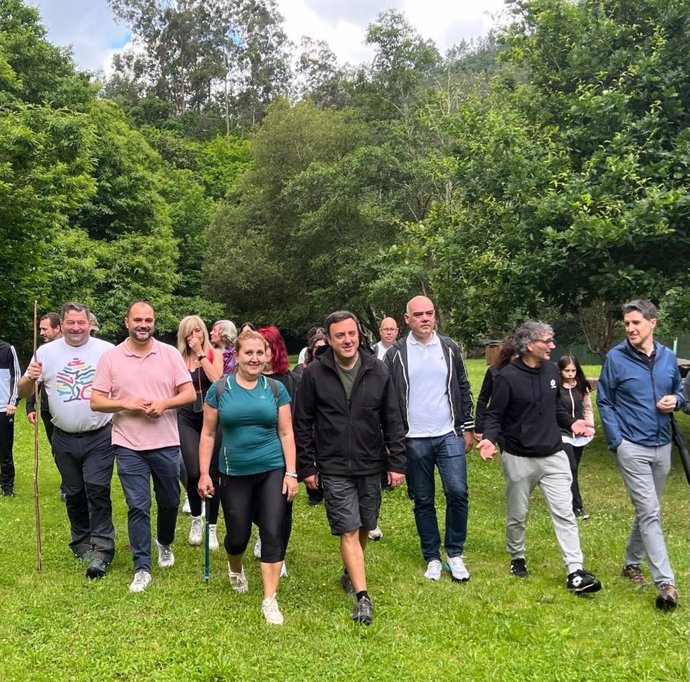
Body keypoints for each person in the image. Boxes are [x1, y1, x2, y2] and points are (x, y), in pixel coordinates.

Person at [294, 311, 406, 625]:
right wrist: (307, 465)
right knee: (348, 527)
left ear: (359, 335)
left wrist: (397, 462)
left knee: (366, 525)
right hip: (333, 464)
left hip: (371, 462)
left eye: (352, 334)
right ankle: (362, 596)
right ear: (328, 340)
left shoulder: (378, 370)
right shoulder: (315, 374)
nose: (347, 340)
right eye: (340, 335)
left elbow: (394, 420)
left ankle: (349, 569)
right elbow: (302, 423)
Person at [477, 320, 602, 595]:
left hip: (554, 454)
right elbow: (495, 414)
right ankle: (517, 556)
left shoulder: (551, 372)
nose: (552, 346)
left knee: (565, 512)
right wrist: (487, 438)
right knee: (517, 515)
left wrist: (572, 424)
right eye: (547, 341)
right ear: (529, 344)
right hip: (519, 457)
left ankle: (575, 571)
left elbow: (555, 409)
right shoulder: (507, 377)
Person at [91, 301, 196, 593]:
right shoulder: (111, 358)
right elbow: (96, 401)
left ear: (154, 322)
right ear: (127, 322)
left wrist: (165, 403)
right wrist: (125, 403)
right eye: (137, 319)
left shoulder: (170, 354)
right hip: (128, 444)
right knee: (138, 505)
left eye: (148, 320)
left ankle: (164, 542)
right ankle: (141, 567)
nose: (143, 325)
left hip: (165, 442)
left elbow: (188, 394)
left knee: (170, 501)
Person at [198, 329, 298, 625]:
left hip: (272, 468)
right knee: (237, 537)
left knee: (272, 531)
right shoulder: (219, 390)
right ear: (237, 356)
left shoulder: (276, 390)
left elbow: (286, 432)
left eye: (259, 353)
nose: (254, 359)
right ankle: (235, 566)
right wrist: (204, 473)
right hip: (234, 471)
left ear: (267, 356)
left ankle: (269, 599)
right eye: (248, 353)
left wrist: (291, 472)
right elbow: (208, 433)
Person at [18, 303, 116, 579]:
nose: (76, 328)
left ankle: (103, 548)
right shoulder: (45, 352)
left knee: (97, 489)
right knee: (74, 492)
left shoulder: (106, 350)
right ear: (61, 325)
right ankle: (81, 541)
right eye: (70, 323)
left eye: (81, 323)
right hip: (62, 436)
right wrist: (30, 378)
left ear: (89, 323)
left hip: (99, 435)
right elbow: (23, 389)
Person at [597, 299, 683, 610]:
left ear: (652, 323)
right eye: (627, 324)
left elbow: (680, 390)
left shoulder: (668, 357)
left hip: (663, 446)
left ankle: (631, 563)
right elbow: (604, 401)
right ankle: (666, 583)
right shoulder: (615, 358)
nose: (631, 329)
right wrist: (617, 441)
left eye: (636, 323)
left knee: (649, 509)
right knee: (650, 511)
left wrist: (676, 398)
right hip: (631, 446)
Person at [384, 295, 474, 583]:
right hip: (413, 438)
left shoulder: (448, 348)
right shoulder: (396, 353)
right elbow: (386, 398)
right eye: (419, 314)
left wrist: (467, 426)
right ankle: (432, 557)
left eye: (430, 313)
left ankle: (455, 553)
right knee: (423, 499)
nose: (425, 318)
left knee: (458, 491)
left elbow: (462, 385)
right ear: (407, 319)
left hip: (448, 433)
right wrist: (391, 438)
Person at [176, 315, 223, 549]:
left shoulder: (214, 354)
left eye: (199, 331)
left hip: (212, 417)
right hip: (186, 417)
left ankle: (212, 526)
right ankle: (196, 517)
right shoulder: (177, 358)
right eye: (191, 333)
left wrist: (201, 355)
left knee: (213, 473)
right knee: (194, 471)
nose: (195, 337)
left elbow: (218, 381)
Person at [557, 355, 595, 519]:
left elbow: (587, 408)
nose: (570, 374)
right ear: (560, 371)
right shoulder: (556, 388)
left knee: (573, 470)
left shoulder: (582, 387)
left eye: (573, 370)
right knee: (570, 467)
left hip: (580, 434)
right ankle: (576, 507)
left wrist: (590, 426)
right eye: (567, 370)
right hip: (562, 433)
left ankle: (565, 498)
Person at [26, 313, 62, 449]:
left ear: (57, 328)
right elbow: (34, 380)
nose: (41, 333)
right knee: (57, 448)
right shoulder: (43, 352)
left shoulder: (71, 349)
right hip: (48, 408)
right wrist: (30, 407)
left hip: (70, 405)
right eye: (40, 329)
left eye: (45, 329)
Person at [474, 340, 516, 441]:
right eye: (516, 356)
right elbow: (483, 399)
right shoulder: (494, 371)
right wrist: (479, 427)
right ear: (509, 355)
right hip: (501, 421)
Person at [0, 339, 20, 497]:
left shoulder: (7, 349)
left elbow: (17, 376)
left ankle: (7, 486)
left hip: (3, 408)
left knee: (4, 448)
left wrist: (12, 401)